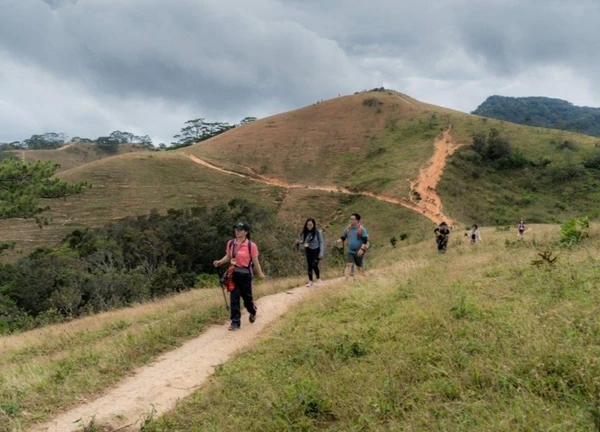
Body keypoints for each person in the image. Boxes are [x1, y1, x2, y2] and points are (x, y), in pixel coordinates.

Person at [213, 222, 265, 331]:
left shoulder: (251, 245)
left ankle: (252, 311)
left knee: (247, 299)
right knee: (234, 298)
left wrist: (260, 274)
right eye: (236, 229)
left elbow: (256, 262)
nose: (237, 231)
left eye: (240, 229)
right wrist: (220, 262)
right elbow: (228, 256)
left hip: (245, 275)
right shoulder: (231, 243)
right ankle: (235, 323)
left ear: (246, 232)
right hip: (233, 274)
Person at [336, 213, 369, 279]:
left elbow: (365, 240)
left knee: (359, 266)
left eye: (352, 219)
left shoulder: (362, 229)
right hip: (350, 250)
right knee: (349, 265)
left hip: (359, 251)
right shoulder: (347, 229)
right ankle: (346, 280)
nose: (350, 220)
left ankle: (361, 279)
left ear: (357, 220)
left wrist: (361, 249)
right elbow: (343, 237)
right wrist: (339, 240)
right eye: (350, 219)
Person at [297, 218, 324, 287]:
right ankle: (310, 281)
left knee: (314, 265)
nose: (309, 226)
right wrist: (299, 242)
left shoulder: (317, 232)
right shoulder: (305, 233)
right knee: (309, 265)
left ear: (313, 225)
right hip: (308, 250)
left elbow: (321, 242)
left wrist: (321, 252)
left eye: (310, 225)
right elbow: (303, 241)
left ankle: (318, 279)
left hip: (316, 250)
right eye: (308, 225)